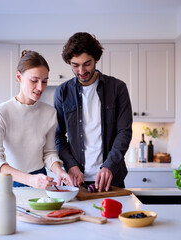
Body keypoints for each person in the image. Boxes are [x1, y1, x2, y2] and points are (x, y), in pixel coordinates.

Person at [54, 32, 132, 192]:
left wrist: (109, 166)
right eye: (75, 65)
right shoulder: (62, 92)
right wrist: (71, 165)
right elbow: (58, 136)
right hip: (75, 181)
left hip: (112, 178)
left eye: (87, 64)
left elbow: (124, 132)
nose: (81, 71)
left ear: (96, 59)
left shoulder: (117, 88)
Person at [0, 50, 73, 189]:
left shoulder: (49, 113)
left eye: (44, 81)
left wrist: (59, 171)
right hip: (8, 181)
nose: (40, 87)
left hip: (40, 179)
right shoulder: (0, 113)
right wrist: (29, 180)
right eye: (34, 80)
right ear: (19, 77)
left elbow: (49, 153)